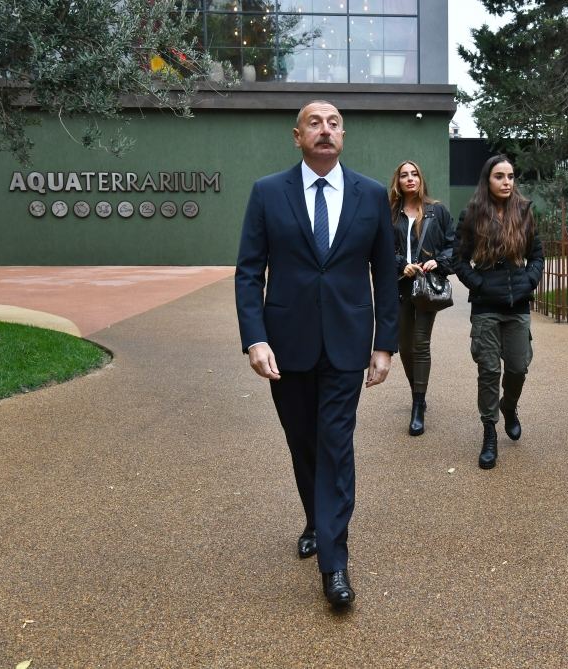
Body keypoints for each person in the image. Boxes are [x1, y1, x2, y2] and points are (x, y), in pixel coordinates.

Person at [235, 100, 398, 609]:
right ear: (297, 135)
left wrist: (384, 344)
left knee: (335, 443)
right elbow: (248, 271)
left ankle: (334, 561)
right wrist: (254, 337)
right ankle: (314, 517)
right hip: (286, 345)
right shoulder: (267, 194)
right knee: (302, 441)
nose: (324, 131)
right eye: (314, 123)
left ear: (343, 136)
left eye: (332, 124)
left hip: (348, 344)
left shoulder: (370, 195)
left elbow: (386, 275)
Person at [454, 155, 544, 470]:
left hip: (517, 307)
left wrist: (528, 282)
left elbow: (537, 256)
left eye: (510, 176)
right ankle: (489, 431)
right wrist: (479, 285)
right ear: (487, 180)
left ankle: (509, 406)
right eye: (499, 176)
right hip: (485, 309)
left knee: (518, 367)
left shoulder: (524, 214)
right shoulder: (472, 215)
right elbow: (459, 260)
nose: (507, 182)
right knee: (489, 371)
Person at [389, 160, 456, 437]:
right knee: (404, 347)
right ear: (398, 182)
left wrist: (437, 263)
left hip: (426, 286)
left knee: (420, 342)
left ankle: (418, 404)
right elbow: (378, 247)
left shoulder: (436, 211)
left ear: (421, 179)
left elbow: (454, 245)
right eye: (404, 175)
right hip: (401, 285)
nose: (410, 178)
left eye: (414, 173)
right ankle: (417, 390)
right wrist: (399, 264)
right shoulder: (390, 213)